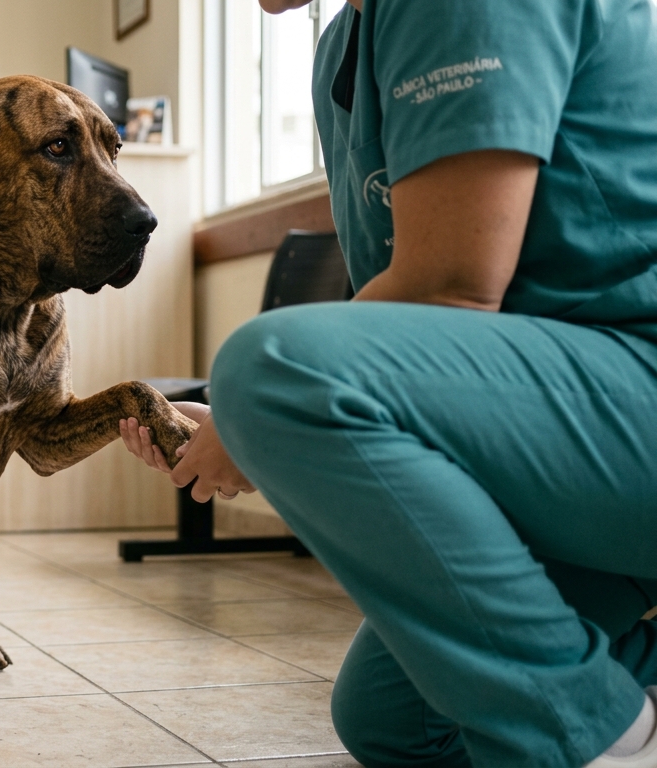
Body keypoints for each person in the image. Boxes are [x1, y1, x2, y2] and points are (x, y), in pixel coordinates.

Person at [120, 0, 657, 765]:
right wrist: (228, 416)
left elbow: (449, 285)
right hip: (572, 432)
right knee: (393, 721)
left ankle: (605, 738)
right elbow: (399, 313)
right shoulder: (345, 44)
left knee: (269, 371)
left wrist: (248, 416)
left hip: (633, 398)